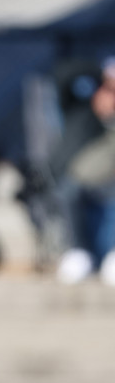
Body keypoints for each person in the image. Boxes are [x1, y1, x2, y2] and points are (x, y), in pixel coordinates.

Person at [50, 57, 115, 283]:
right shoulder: (82, 111)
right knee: (68, 194)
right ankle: (79, 252)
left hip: (110, 181)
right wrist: (101, 75)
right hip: (79, 178)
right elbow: (62, 76)